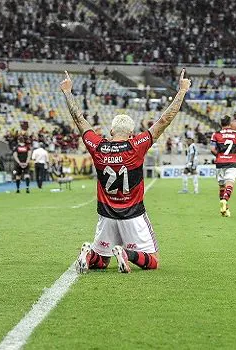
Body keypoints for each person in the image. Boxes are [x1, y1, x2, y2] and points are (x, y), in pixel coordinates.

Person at [60, 69, 191, 274]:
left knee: (101, 261)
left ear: (111, 132)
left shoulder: (98, 146)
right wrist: (182, 91)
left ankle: (88, 253)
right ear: (131, 134)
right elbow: (164, 121)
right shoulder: (136, 145)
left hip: (106, 215)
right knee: (153, 261)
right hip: (133, 214)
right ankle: (126, 254)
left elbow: (79, 120)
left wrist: (67, 92)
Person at [210, 115, 236, 217]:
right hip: (231, 162)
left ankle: (225, 210)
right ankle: (225, 200)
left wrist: (219, 155)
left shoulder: (216, 134)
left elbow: (212, 149)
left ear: (221, 124)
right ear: (229, 124)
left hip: (219, 162)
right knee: (230, 184)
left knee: (221, 186)